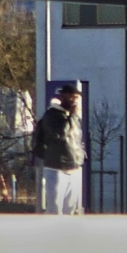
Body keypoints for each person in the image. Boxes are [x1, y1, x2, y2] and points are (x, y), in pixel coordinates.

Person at [32, 82, 85, 215]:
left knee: (70, 209)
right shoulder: (52, 115)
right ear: (63, 97)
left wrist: (82, 156)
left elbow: (78, 139)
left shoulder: (74, 118)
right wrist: (71, 116)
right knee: (55, 208)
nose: (75, 101)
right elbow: (59, 134)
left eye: (77, 98)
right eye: (72, 98)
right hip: (57, 168)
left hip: (75, 167)